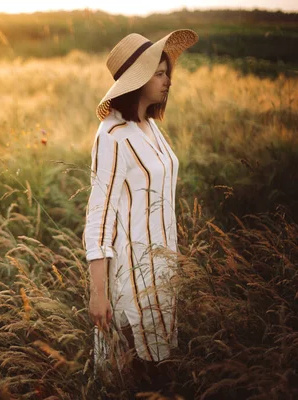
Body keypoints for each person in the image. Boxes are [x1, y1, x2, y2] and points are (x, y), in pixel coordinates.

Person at [84, 29, 198, 389]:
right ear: (136, 80)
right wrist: (98, 292)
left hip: (163, 266)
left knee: (165, 365)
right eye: (159, 73)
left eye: (167, 72)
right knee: (141, 373)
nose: (168, 80)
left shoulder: (150, 126)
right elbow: (98, 215)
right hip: (133, 273)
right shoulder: (113, 135)